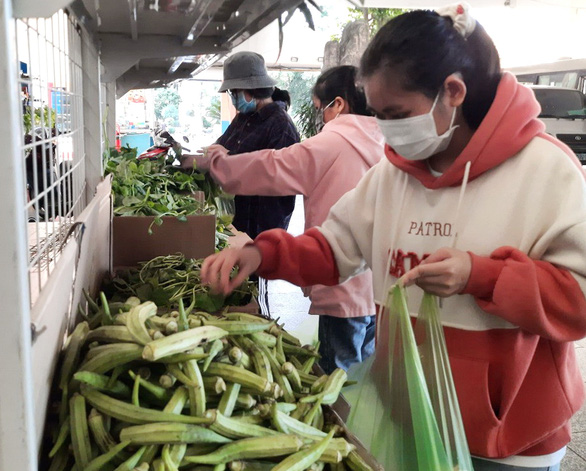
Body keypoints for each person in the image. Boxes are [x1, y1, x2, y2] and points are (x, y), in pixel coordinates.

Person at [199, 4, 586, 470]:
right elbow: (333, 248)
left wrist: (481, 276)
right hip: (406, 416)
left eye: (396, 113)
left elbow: (578, 297)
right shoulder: (390, 176)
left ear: (453, 93)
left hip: (509, 439)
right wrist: (262, 254)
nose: (385, 130)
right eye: (379, 114)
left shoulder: (545, 171)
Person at [185, 65, 384, 373]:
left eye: (321, 108)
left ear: (340, 104)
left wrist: (216, 164)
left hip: (341, 280)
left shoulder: (330, 144)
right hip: (381, 288)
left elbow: (270, 167)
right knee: (365, 377)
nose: (320, 117)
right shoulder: (389, 146)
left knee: (336, 381)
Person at [184, 51, 300, 316]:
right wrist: (201, 156)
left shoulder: (280, 126)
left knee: (254, 271)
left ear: (251, 90)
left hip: (263, 218)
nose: (233, 99)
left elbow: (281, 179)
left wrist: (229, 163)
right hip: (240, 214)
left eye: (234, 92)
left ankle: (256, 311)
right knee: (239, 269)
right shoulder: (244, 118)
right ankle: (242, 304)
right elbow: (222, 147)